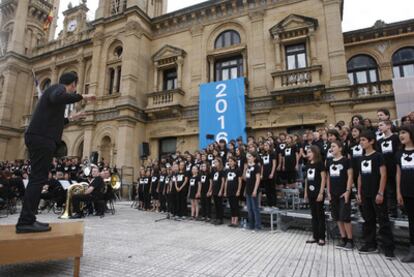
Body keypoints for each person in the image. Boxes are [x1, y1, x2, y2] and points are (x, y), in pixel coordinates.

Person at [16, 72, 96, 233]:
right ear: (73, 84)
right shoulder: (57, 89)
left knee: (37, 179)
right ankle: (25, 221)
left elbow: (55, 119)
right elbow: (58, 97)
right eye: (74, 87)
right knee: (37, 179)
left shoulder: (55, 92)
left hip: (40, 137)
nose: (74, 90)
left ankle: (28, 219)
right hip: (41, 138)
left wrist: (71, 118)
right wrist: (83, 96)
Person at [357, 130, 395, 259]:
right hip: (365, 194)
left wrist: (380, 192)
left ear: (371, 141)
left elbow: (383, 175)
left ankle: (388, 248)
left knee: (383, 220)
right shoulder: (362, 157)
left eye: (363, 140)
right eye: (360, 140)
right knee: (368, 220)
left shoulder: (378, 156)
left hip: (377, 193)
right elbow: (360, 176)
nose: (361, 142)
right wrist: (359, 192)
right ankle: (370, 244)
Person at [326, 141, 354, 250]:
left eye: (333, 146)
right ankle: (343, 239)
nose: (331, 148)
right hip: (333, 193)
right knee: (337, 217)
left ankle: (350, 241)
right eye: (330, 146)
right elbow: (328, 177)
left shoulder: (346, 161)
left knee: (345, 217)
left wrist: (348, 191)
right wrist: (328, 192)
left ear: (340, 148)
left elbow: (350, 176)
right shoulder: (329, 161)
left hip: (343, 193)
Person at [396, 124, 414, 262]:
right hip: (407, 192)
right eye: (399, 133)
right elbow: (398, 173)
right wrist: (399, 192)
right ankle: (412, 249)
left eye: (403, 132)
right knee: (412, 222)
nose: (401, 135)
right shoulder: (399, 153)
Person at [304, 146, 326, 246]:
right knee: (314, 216)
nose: (308, 154)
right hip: (310, 192)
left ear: (315, 153)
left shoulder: (320, 164)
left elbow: (323, 179)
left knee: (320, 215)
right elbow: (307, 180)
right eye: (307, 152)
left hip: (318, 193)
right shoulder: (308, 164)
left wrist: (321, 193)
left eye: (309, 152)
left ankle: (322, 237)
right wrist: (305, 193)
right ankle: (315, 236)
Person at [377, 120, 400, 218]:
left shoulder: (396, 138)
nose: (379, 127)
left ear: (389, 126)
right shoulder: (380, 141)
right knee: (389, 190)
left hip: (396, 167)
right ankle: (393, 210)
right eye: (378, 126)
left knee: (399, 187)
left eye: (381, 125)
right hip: (386, 169)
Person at [244, 152, 262, 231]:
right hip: (248, 189)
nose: (248, 158)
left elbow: (258, 179)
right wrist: (245, 168)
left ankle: (257, 226)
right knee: (249, 209)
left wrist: (255, 190)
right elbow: (245, 178)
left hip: (254, 190)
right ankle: (251, 225)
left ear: (254, 158)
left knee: (255, 208)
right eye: (248, 157)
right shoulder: (248, 167)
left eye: (250, 156)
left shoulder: (257, 167)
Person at [224, 157, 242, 227]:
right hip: (229, 190)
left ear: (235, 162)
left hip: (235, 190)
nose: (230, 162)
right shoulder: (227, 170)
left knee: (235, 206)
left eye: (231, 161)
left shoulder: (238, 170)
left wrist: (238, 190)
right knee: (231, 206)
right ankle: (232, 221)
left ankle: (236, 221)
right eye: (229, 161)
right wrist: (225, 191)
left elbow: (240, 181)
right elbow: (226, 182)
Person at [210, 158, 225, 225]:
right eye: (214, 162)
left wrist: (221, 190)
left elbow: (223, 181)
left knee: (219, 205)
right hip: (214, 189)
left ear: (219, 162)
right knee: (215, 205)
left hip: (219, 190)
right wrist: (211, 189)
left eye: (216, 162)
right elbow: (213, 181)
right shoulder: (214, 170)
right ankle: (216, 218)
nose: (215, 163)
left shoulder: (222, 171)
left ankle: (220, 219)